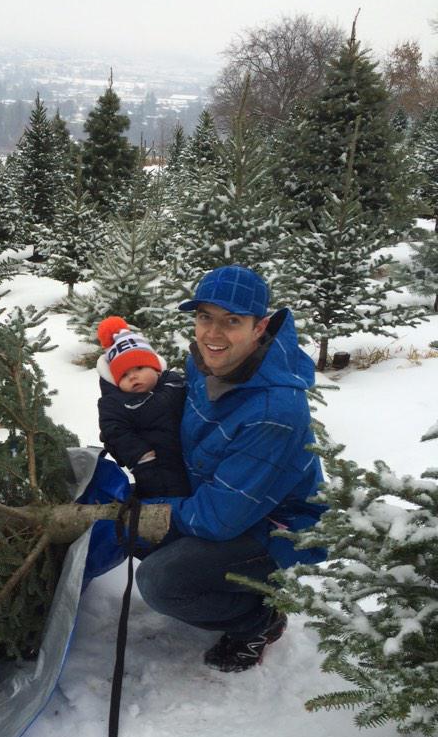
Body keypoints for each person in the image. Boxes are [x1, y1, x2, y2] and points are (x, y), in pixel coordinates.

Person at [135, 264, 326, 672]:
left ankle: (258, 620)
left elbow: (220, 519)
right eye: (205, 317)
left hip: (276, 524)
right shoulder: (205, 365)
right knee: (136, 533)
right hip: (225, 496)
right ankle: (225, 584)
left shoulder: (274, 412)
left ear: (259, 328)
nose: (213, 334)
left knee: (161, 580)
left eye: (232, 321)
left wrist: (155, 509)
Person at [96, 316, 190, 500]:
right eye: (124, 375)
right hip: (153, 468)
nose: (133, 377)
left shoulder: (175, 383)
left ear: (155, 368)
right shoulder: (116, 403)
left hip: (190, 459)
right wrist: (141, 457)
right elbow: (114, 431)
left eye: (139, 368)